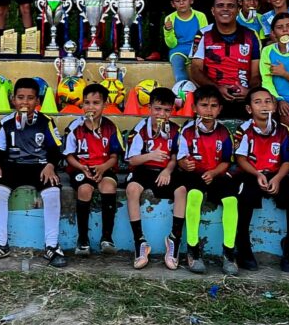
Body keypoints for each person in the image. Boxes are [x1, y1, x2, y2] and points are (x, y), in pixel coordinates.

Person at [0, 78, 67, 267]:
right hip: (13, 166)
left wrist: (50, 165)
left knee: (53, 190)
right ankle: (0, 244)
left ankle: (52, 245)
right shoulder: (6, 123)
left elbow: (55, 148)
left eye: (30, 98)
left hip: (40, 167)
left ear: (37, 101)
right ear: (13, 99)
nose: (25, 102)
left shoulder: (45, 122)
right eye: (20, 97)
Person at [235, 87, 289, 272]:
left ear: (274, 106)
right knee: (243, 197)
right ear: (249, 109)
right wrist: (258, 175)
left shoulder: (283, 130)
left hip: (277, 174)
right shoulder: (244, 130)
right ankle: (244, 250)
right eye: (258, 102)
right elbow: (240, 158)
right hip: (252, 173)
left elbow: (287, 161)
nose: (264, 106)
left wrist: (278, 178)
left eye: (268, 101)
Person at [177, 85, 239, 275]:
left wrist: (213, 172)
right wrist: (184, 164)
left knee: (231, 201)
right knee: (194, 196)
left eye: (213, 106)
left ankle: (229, 253)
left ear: (220, 109)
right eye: (204, 105)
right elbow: (180, 158)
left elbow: (226, 161)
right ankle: (193, 250)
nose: (209, 110)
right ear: (194, 108)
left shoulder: (224, 132)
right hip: (194, 175)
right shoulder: (186, 131)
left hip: (217, 174)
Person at [125, 87, 187, 270]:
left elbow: (175, 157)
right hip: (144, 169)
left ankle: (174, 239)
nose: (162, 114)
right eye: (157, 109)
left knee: (181, 190)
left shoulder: (176, 131)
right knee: (132, 189)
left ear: (172, 111)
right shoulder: (140, 129)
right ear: (149, 108)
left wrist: (167, 170)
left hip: (165, 172)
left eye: (167, 110)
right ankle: (140, 241)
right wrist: (151, 155)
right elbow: (132, 159)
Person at [63, 83, 124, 256]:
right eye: (87, 103)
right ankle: (83, 239)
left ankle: (107, 238)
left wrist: (103, 168)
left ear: (105, 105)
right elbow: (68, 156)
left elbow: (114, 157)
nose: (91, 107)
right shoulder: (74, 127)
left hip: (104, 167)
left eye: (96, 103)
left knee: (109, 187)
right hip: (80, 168)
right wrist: (81, 167)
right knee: (84, 189)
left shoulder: (111, 127)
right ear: (82, 104)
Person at [190, 0, 261, 119]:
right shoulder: (203, 34)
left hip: (242, 97)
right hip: (212, 97)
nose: (225, 9)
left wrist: (249, 91)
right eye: (220, 5)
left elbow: (256, 74)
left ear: (238, 10)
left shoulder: (251, 35)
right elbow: (195, 70)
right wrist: (217, 88)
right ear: (213, 11)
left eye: (231, 6)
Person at [164, 0, 208, 83]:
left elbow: (204, 37)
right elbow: (171, 44)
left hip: (197, 49)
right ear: (172, 4)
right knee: (177, 63)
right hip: (178, 50)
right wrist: (168, 30)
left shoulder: (200, 16)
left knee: (202, 69)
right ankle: (183, 86)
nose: (181, 3)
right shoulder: (170, 18)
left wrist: (195, 53)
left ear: (191, 0)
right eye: (177, 1)